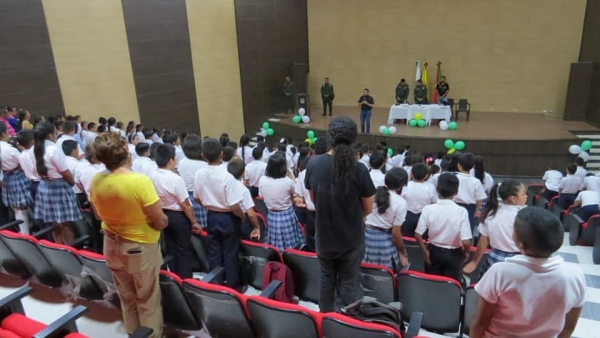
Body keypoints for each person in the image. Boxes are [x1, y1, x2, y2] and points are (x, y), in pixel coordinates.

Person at [90, 132, 167, 338]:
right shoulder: (139, 181)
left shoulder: (96, 179)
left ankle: (134, 332)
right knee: (147, 296)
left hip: (111, 245)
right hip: (137, 249)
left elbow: (98, 213)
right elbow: (160, 221)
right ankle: (150, 335)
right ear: (125, 151)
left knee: (126, 294)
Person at [470, 207, 585, 338]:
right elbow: (569, 328)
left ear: (520, 243)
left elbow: (479, 323)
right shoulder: (575, 275)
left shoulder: (500, 271)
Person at [305, 116, 376, 312]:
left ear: (330, 136)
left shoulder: (313, 164)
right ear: (353, 139)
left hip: (324, 237)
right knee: (348, 284)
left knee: (326, 280)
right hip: (351, 239)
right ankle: (348, 325)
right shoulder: (360, 169)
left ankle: (325, 322)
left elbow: (313, 199)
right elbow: (368, 209)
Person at [193, 138, 246, 291]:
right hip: (228, 217)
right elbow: (234, 205)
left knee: (214, 251)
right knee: (230, 252)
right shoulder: (227, 176)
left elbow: (196, 197)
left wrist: (208, 205)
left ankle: (216, 283)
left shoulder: (199, 173)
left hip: (211, 215)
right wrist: (242, 217)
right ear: (221, 154)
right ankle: (232, 286)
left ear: (203, 155)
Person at [152, 144, 201, 279]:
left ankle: (174, 277)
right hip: (178, 216)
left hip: (163, 214)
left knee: (170, 248)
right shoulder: (175, 179)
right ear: (170, 161)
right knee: (183, 249)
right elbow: (185, 204)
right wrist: (194, 222)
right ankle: (185, 279)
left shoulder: (152, 174)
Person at [463, 180, 526, 279]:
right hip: (516, 260)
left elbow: (483, 240)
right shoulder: (523, 217)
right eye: (523, 193)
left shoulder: (491, 213)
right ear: (513, 198)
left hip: (494, 258)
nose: (526, 196)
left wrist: (475, 262)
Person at [415, 173, 472, 282]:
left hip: (433, 251)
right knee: (450, 285)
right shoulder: (461, 211)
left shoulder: (428, 209)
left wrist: (425, 252)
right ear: (456, 192)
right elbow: (466, 242)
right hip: (454, 254)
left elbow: (418, 236)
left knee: (432, 282)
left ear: (437, 189)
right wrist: (467, 252)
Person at [31, 122, 81, 244]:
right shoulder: (53, 149)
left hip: (44, 186)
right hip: (59, 186)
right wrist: (72, 183)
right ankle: (70, 252)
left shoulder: (35, 148)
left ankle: (59, 249)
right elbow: (66, 173)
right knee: (66, 224)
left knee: (55, 223)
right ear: (50, 134)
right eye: (55, 132)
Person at [363, 168, 409, 271]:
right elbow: (396, 233)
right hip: (385, 244)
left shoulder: (371, 194)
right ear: (401, 186)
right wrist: (402, 251)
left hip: (365, 239)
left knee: (364, 271)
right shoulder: (400, 202)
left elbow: (363, 216)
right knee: (384, 275)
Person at [258, 152, 304, 252]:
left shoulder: (262, 180)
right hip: (287, 215)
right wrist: (290, 173)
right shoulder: (287, 181)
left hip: (271, 215)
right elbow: (294, 194)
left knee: (273, 244)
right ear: (283, 167)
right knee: (291, 245)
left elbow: (262, 195)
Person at [0, 123, 31, 234]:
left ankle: (23, 232)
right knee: (22, 208)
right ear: (3, 133)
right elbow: (22, 161)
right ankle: (25, 234)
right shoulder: (9, 149)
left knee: (17, 208)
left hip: (7, 177)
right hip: (18, 176)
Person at [178, 134, 208, 228]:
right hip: (201, 198)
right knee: (206, 227)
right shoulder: (203, 164)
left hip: (187, 198)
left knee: (194, 227)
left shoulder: (181, 162)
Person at [227, 159, 261, 241]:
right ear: (243, 173)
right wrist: (257, 227)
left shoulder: (223, 184)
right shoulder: (243, 189)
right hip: (240, 221)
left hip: (225, 219)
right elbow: (251, 214)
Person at [401, 163, 437, 237]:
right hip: (424, 215)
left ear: (411, 174)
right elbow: (435, 202)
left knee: (407, 236)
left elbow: (402, 201)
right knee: (422, 236)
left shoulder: (406, 186)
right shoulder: (431, 187)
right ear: (427, 175)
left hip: (408, 215)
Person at [454, 152, 486, 231]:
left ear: (458, 165)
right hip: (470, 208)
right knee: (467, 232)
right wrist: (474, 210)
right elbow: (479, 200)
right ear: (473, 166)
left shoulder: (454, 178)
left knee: (453, 229)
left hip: (454, 206)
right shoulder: (476, 181)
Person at [62, 140, 86, 207]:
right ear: (74, 150)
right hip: (78, 194)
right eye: (78, 148)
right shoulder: (77, 165)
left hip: (66, 193)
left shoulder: (62, 162)